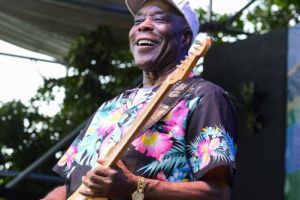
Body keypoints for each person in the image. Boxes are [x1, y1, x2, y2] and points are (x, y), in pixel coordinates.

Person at [43, 0, 237, 199]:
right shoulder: (110, 107)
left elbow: (218, 193)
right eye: (138, 21)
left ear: (185, 38)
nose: (144, 25)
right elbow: (69, 187)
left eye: (159, 18)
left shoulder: (204, 97)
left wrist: (136, 186)